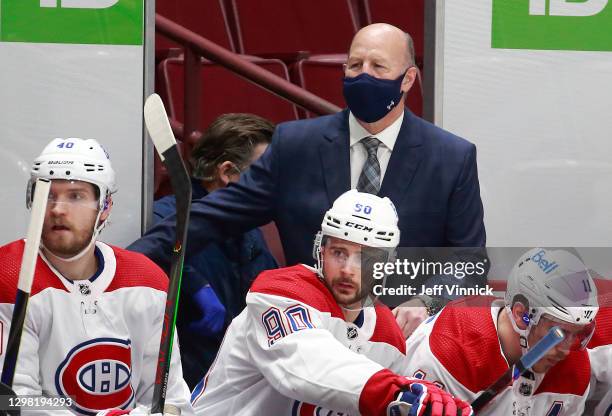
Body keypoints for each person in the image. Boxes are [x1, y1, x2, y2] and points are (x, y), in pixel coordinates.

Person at [127, 23, 486, 335]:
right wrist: (122, 265)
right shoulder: (296, 145)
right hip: (306, 336)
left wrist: (425, 301)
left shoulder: (451, 158)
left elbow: (469, 261)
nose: (363, 75)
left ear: (407, 79)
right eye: (354, 65)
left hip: (401, 343)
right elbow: (211, 217)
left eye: (378, 67)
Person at [190, 190, 472, 416]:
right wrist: (396, 392)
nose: (348, 268)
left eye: (366, 257)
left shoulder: (389, 336)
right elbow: (304, 367)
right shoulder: (281, 290)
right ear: (320, 250)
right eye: (339, 252)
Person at [0, 138, 193, 415]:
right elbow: (15, 402)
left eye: (75, 196)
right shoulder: (8, 275)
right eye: (49, 195)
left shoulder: (148, 281)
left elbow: (172, 400)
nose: (57, 209)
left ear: (104, 207)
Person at [153, 113, 278, 388]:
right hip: (183, 387)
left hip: (235, 382)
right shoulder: (165, 216)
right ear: (228, 173)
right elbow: (145, 257)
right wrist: (193, 284)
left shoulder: (247, 227)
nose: (276, 183)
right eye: (266, 172)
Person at [403, 248, 599, 415]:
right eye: (560, 333)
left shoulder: (575, 367)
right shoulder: (451, 347)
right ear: (521, 315)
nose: (566, 350)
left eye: (578, 334)